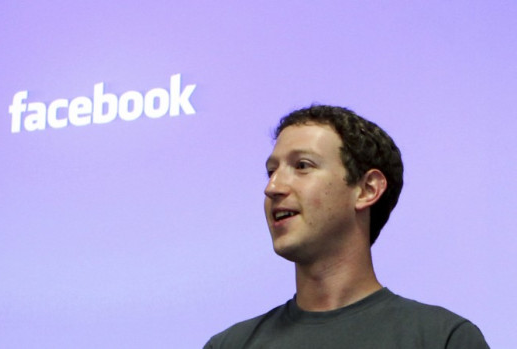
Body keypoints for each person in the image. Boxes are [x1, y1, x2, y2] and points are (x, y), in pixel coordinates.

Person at [204, 105, 489, 348]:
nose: (273, 187)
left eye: (302, 166)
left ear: (366, 189)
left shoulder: (442, 339)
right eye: (271, 171)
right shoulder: (231, 344)